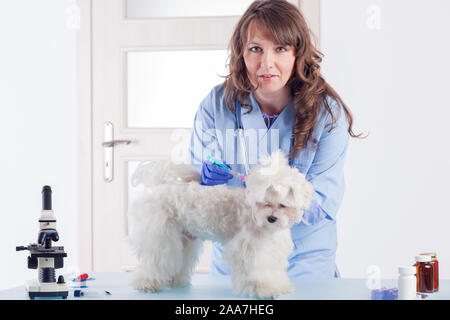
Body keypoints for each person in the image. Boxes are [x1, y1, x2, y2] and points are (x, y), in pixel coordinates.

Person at [187, 0, 362, 279]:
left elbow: (322, 204)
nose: (266, 63)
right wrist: (204, 179)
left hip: (302, 262)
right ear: (241, 53)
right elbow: (195, 179)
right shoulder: (218, 105)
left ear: (297, 54)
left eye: (280, 49)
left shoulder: (327, 115)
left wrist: (279, 196)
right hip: (236, 257)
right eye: (255, 49)